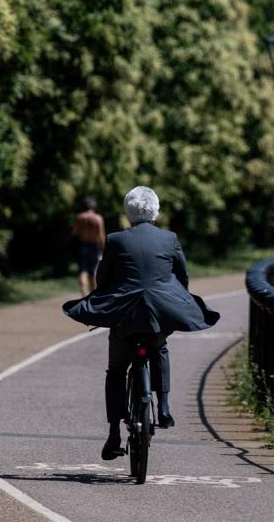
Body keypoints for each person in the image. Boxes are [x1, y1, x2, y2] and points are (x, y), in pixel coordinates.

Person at [62, 185, 219, 461]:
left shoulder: (116, 239)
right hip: (159, 312)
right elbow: (182, 277)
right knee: (159, 348)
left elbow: (103, 278)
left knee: (116, 370)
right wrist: (175, 299)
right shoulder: (169, 238)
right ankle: (166, 407)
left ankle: (113, 434)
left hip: (124, 314)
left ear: (128, 213)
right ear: (156, 211)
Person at [70, 196, 106, 296]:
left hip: (83, 246)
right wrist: (104, 249)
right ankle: (93, 297)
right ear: (94, 206)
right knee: (93, 272)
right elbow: (101, 236)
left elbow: (74, 232)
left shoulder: (80, 217)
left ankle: (84, 296)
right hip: (94, 247)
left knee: (83, 270)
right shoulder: (98, 218)